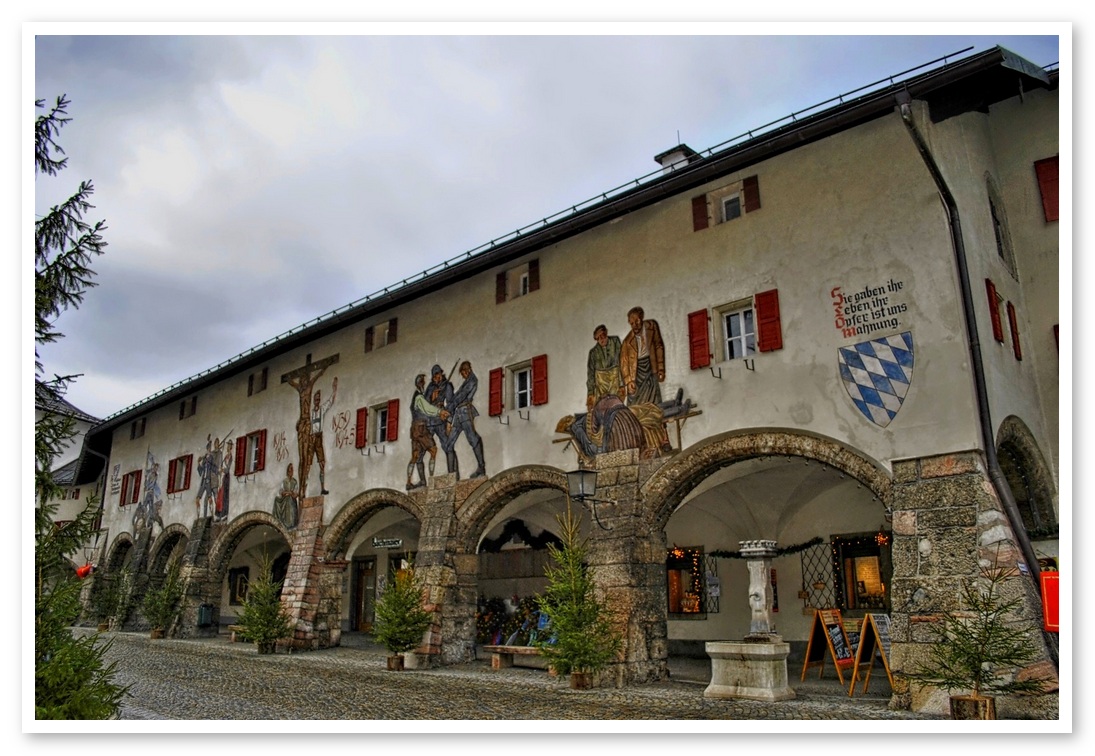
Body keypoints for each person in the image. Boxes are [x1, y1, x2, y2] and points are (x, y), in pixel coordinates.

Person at [446, 360, 486, 479]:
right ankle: (452, 474)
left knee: (473, 439)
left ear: (466, 371)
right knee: (449, 444)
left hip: (465, 412)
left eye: (462, 373)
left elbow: (460, 396)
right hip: (458, 414)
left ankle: (481, 467)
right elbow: (455, 397)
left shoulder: (472, 380)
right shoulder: (466, 382)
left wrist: (449, 407)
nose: (462, 375)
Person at [406, 373, 447, 490]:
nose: (424, 383)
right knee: (433, 450)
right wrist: (440, 412)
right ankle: (431, 479)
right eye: (423, 382)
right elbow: (427, 409)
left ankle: (410, 482)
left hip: (414, 429)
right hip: (421, 428)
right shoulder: (419, 397)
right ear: (420, 383)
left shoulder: (417, 396)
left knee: (415, 456)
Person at [620, 306, 666, 406]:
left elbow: (658, 346)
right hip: (636, 372)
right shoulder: (627, 342)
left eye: (637, 321)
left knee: (654, 402)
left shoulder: (652, 326)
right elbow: (624, 363)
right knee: (635, 404)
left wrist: (661, 368)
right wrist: (629, 382)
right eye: (632, 323)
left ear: (642, 318)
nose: (635, 325)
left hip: (651, 367)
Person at [426, 364, 457, 475]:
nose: (437, 377)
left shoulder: (447, 385)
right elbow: (425, 403)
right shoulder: (430, 387)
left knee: (448, 445)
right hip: (430, 420)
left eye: (438, 374)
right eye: (435, 375)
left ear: (441, 374)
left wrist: (449, 421)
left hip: (440, 419)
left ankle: (452, 473)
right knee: (423, 445)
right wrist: (432, 397)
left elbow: (450, 404)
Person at [586, 324, 624, 409]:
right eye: (598, 338)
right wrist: (590, 393)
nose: (601, 340)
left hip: (614, 380)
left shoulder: (615, 341)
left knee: (616, 405)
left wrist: (622, 384)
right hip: (601, 383)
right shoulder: (593, 352)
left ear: (606, 334)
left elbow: (622, 362)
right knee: (602, 406)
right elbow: (591, 373)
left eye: (602, 336)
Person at [273, 463, 300, 528]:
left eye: (292, 470)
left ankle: (291, 523)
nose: (291, 472)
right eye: (290, 470)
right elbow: (281, 491)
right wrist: (289, 492)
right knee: (277, 499)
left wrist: (291, 493)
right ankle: (284, 522)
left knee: (290, 500)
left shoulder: (294, 481)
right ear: (287, 471)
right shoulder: (284, 481)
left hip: (292, 499)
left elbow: (295, 493)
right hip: (285, 499)